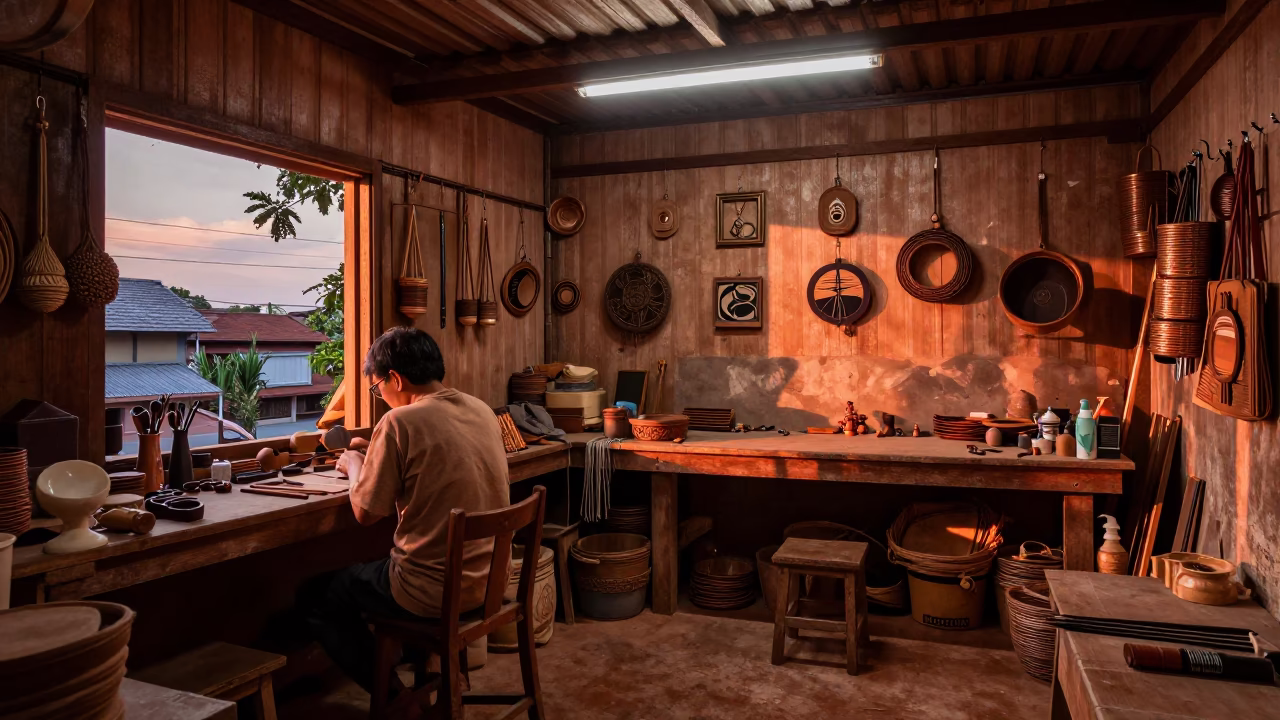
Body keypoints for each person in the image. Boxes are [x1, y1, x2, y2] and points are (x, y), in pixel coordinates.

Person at [307, 327, 511, 694]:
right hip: (487, 584)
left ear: (395, 379)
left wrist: (354, 464)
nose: (379, 396)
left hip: (431, 593)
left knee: (318, 596)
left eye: (376, 387)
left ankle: (398, 701)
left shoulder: (400, 421)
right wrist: (377, 453)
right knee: (382, 567)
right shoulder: (479, 409)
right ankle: (428, 675)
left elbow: (366, 513)